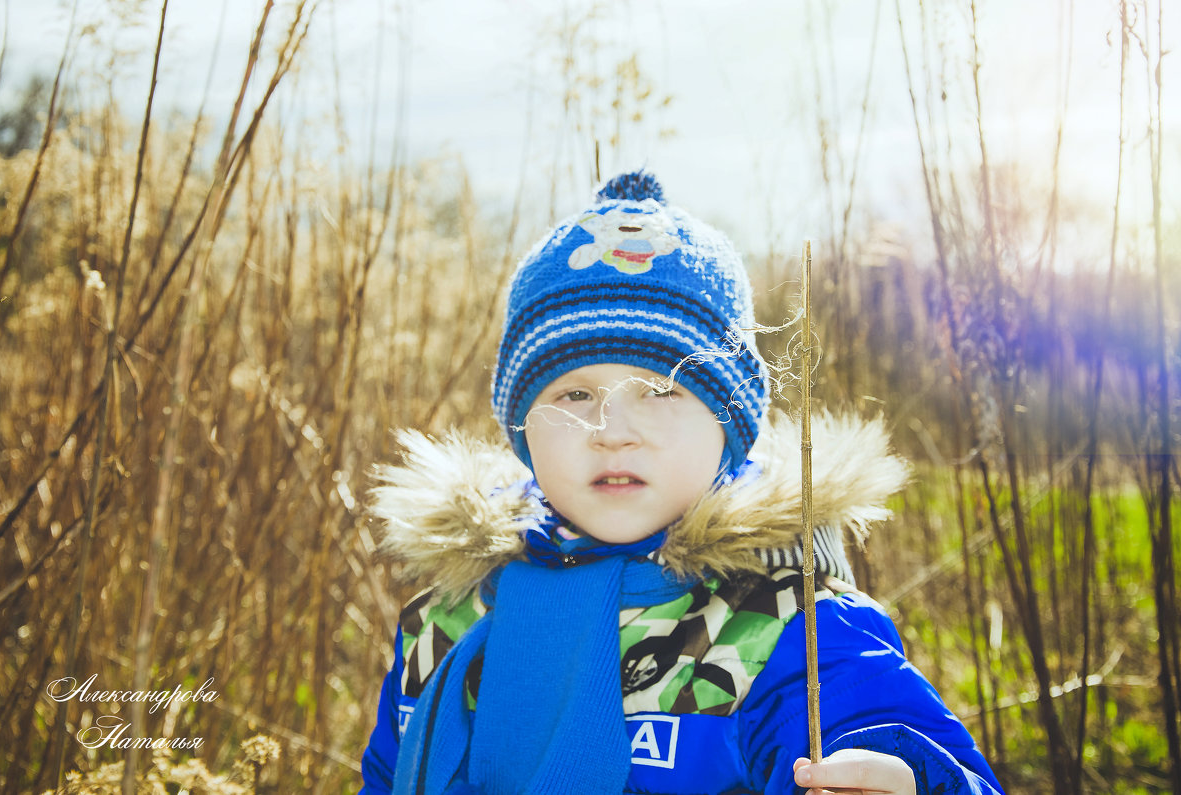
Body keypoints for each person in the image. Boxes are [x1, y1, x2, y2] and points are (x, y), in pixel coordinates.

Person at [360, 172, 1004, 794]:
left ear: (731, 426)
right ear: (524, 430)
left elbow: (867, 718)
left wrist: (900, 775)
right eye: (575, 392)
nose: (612, 430)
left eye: (663, 389)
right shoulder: (446, 618)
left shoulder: (783, 624)